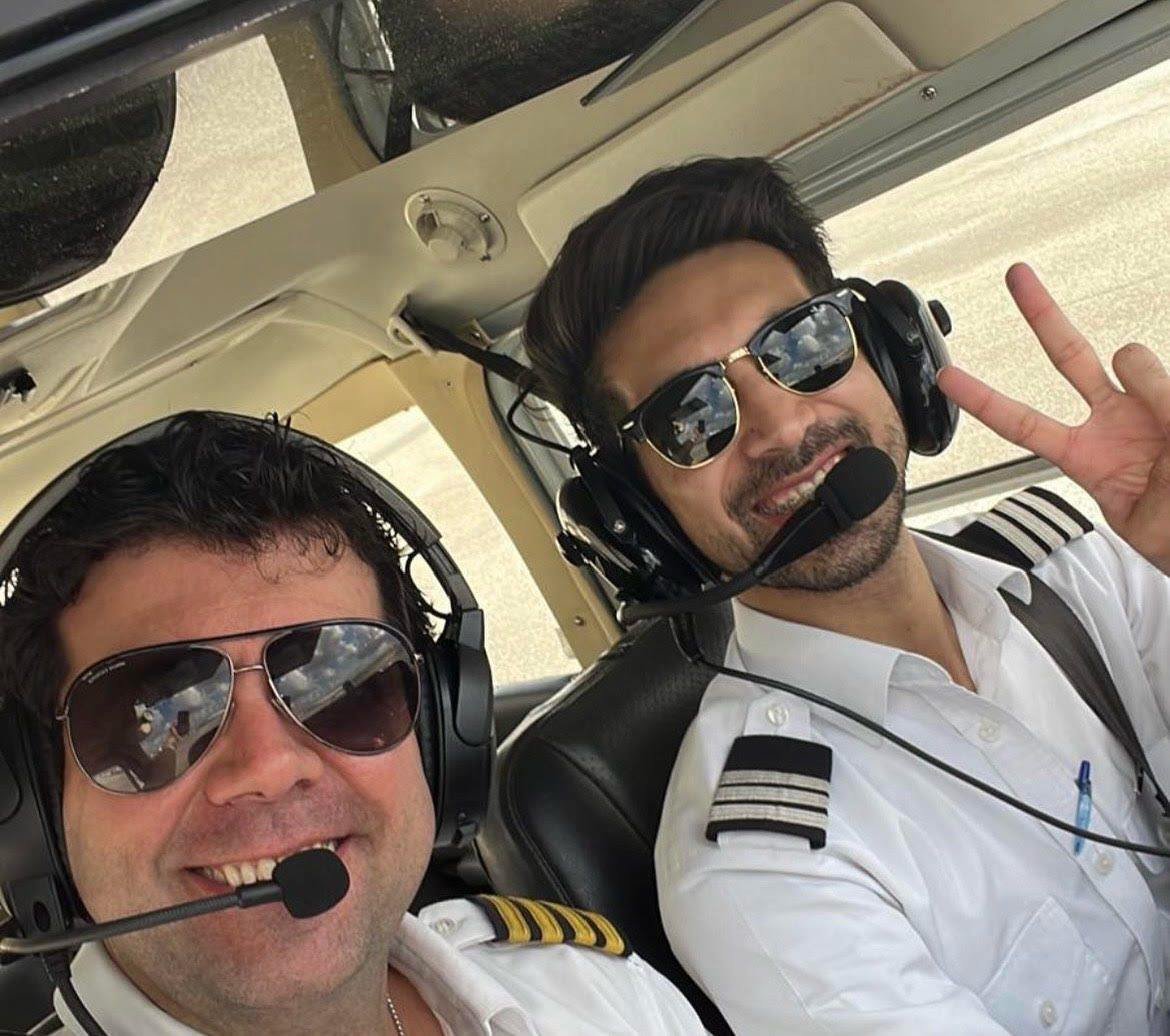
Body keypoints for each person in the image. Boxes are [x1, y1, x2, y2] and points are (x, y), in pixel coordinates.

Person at [523, 156, 1170, 1034]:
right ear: (636, 517)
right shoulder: (763, 866)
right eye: (692, 414)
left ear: (891, 354)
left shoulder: (1078, 563)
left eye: (803, 345)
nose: (783, 425)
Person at [0, 411, 706, 1035]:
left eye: (342, 684)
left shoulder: (598, 994)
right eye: (146, 717)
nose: (269, 767)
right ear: (31, 804)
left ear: (439, 736)